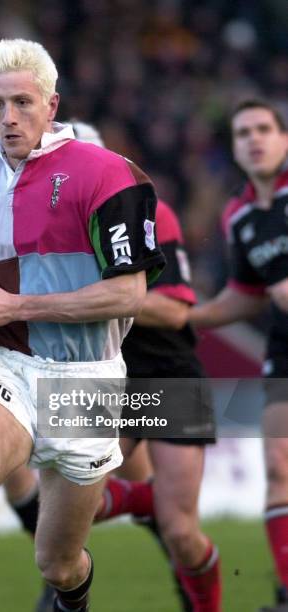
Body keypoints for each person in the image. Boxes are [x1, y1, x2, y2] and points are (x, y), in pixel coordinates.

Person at [0, 38, 164, 611]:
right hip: (5, 364)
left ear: (51, 105)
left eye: (21, 102)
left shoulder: (109, 175)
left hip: (89, 378)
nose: (7, 118)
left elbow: (128, 293)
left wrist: (14, 306)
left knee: (59, 564)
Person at [69, 121, 221, 612]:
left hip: (166, 372)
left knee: (181, 534)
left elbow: (177, 309)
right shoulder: (51, 228)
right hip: (100, 378)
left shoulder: (151, 212)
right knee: (73, 510)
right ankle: (154, 499)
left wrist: (101, 299)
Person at [188, 99, 288, 612]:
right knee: (277, 462)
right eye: (243, 132)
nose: (255, 139)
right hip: (284, 346)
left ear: (284, 137)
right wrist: (189, 317)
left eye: (264, 129)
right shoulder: (238, 215)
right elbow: (247, 292)